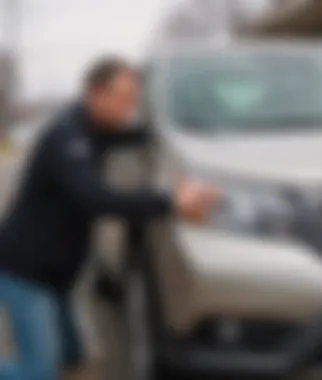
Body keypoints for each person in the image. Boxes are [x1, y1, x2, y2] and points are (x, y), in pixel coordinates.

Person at [0, 57, 219, 380]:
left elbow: (135, 135)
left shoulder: (96, 128)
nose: (129, 109)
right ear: (95, 93)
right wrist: (171, 201)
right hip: (26, 274)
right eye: (123, 99)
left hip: (57, 277)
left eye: (134, 100)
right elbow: (98, 199)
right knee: (39, 373)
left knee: (74, 358)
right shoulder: (68, 137)